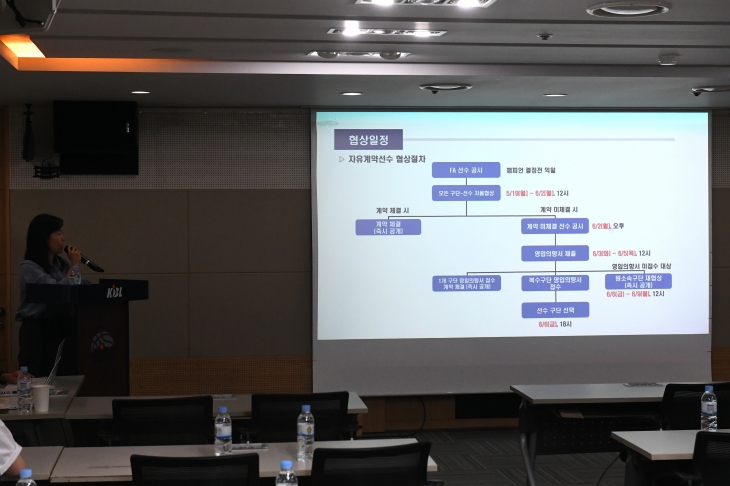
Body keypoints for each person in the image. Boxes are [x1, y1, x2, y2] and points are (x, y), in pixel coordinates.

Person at [15, 214, 89, 377]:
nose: (63, 238)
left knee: (65, 379)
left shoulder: (61, 264)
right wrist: (75, 266)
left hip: (62, 328)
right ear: (44, 237)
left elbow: (77, 284)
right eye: (58, 233)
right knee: (36, 379)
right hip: (38, 332)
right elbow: (57, 292)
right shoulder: (29, 267)